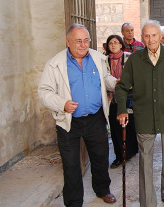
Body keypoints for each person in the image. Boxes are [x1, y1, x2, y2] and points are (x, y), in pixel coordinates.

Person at [38, 24, 117, 206]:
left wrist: (115, 83)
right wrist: (62, 104)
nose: (83, 44)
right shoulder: (55, 63)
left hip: (95, 118)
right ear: (68, 41)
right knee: (71, 164)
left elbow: (105, 79)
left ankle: (102, 189)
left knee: (100, 157)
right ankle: (74, 202)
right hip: (68, 121)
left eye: (86, 40)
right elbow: (44, 91)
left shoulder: (98, 58)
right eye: (78, 41)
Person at [115, 20, 164, 207]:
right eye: (147, 36)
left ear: (160, 36)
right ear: (142, 38)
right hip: (145, 116)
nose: (151, 39)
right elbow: (122, 88)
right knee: (145, 161)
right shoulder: (134, 60)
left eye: (154, 35)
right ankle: (148, 202)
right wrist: (122, 110)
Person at [103, 35, 138, 169]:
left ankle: (130, 151)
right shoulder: (104, 60)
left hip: (129, 97)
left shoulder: (129, 57)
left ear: (121, 44)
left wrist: (125, 83)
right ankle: (119, 156)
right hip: (112, 98)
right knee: (116, 127)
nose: (113, 45)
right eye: (110, 43)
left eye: (116, 42)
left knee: (130, 126)